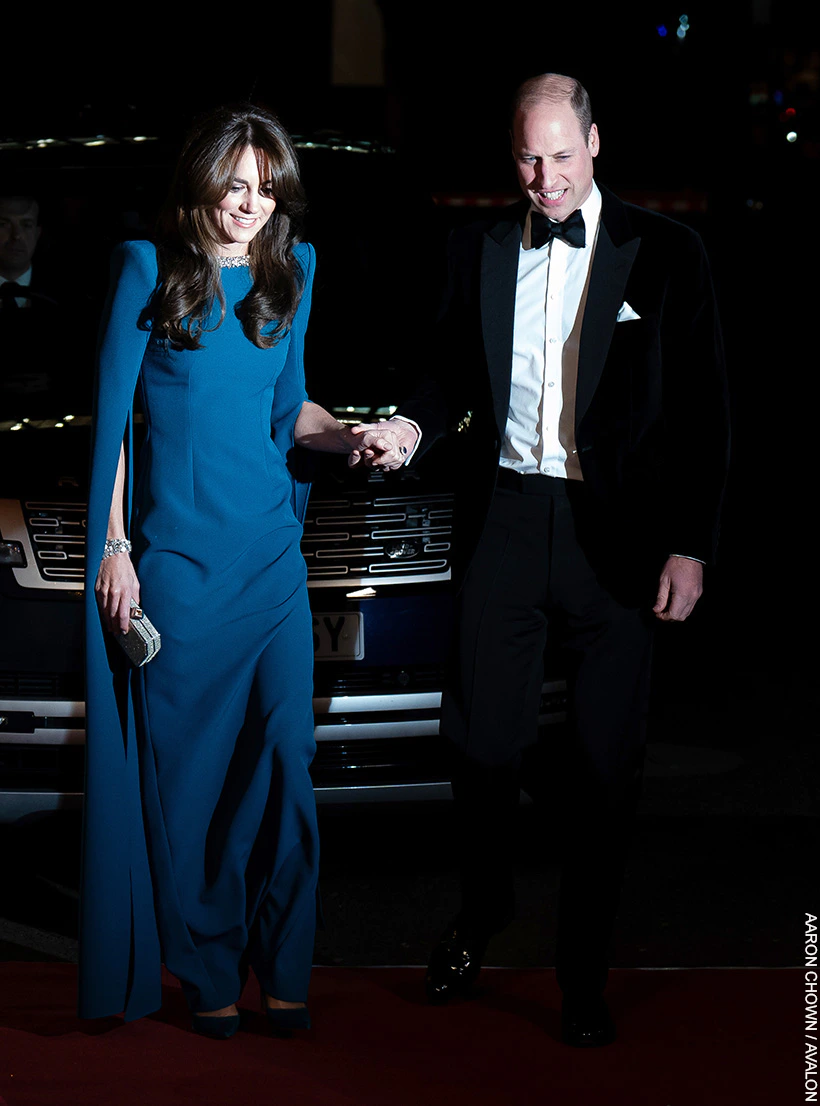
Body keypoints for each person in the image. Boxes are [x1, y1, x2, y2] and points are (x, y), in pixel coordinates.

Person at [359, 73, 730, 1046]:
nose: (546, 176)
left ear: (596, 144)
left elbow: (704, 412)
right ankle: (483, 906)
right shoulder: (473, 249)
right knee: (480, 743)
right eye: (528, 156)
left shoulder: (665, 253)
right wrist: (407, 424)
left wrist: (690, 541)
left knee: (605, 767)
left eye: (562, 155)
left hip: (616, 534)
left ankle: (580, 973)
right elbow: (443, 371)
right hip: (509, 520)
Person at [81, 104, 399, 1037]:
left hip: (270, 569)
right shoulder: (148, 269)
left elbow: (290, 407)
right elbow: (113, 433)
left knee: (287, 766)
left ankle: (284, 962)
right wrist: (114, 550)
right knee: (190, 789)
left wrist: (349, 436)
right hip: (178, 572)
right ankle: (209, 964)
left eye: (267, 189)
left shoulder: (292, 274)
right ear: (206, 178)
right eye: (237, 183)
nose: (250, 204)